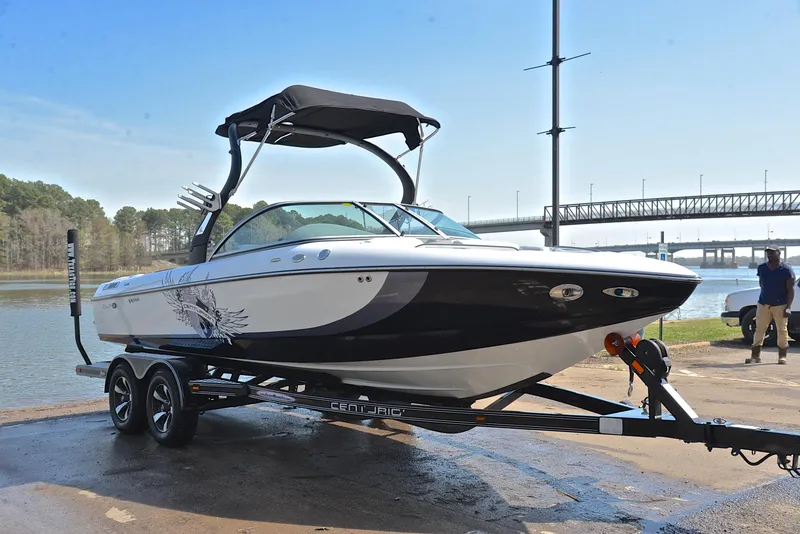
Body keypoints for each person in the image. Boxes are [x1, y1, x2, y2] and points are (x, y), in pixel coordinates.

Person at [746, 245, 795, 364]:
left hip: (780, 305)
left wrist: (788, 307)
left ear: (779, 253)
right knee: (759, 329)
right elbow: (762, 283)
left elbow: (791, 290)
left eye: (772, 252)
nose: (770, 255)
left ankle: (782, 356)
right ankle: (755, 356)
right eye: (768, 253)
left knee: (782, 330)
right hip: (763, 304)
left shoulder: (786, 270)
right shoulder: (762, 268)